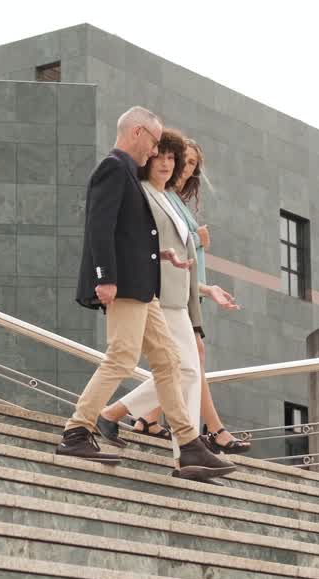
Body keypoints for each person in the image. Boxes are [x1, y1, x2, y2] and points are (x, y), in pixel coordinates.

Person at [55, 106, 236, 482]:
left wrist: (162, 254)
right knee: (121, 358)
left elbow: (129, 233)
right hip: (124, 287)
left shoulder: (126, 173)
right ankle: (77, 430)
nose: (155, 152)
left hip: (143, 286)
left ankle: (188, 447)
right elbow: (99, 228)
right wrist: (103, 277)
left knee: (169, 363)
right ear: (137, 132)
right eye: (154, 143)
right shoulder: (113, 168)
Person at [101, 136, 253, 455]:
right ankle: (187, 447)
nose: (168, 164)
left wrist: (204, 289)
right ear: (149, 158)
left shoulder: (170, 199)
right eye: (161, 157)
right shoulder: (142, 194)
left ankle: (117, 416)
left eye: (175, 159)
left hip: (180, 299)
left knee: (187, 371)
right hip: (154, 296)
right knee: (180, 368)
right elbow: (138, 245)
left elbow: (180, 257)